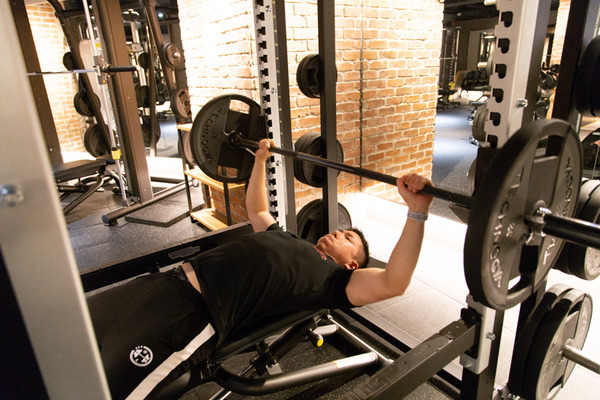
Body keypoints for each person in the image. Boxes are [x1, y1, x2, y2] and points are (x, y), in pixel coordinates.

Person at [87, 139, 433, 399]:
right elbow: (257, 210)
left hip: (191, 316)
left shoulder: (334, 281)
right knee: (73, 333)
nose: (336, 232)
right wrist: (260, 159)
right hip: (163, 284)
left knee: (108, 389)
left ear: (352, 263)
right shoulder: (286, 238)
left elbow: (394, 282)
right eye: (340, 230)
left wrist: (416, 211)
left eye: (347, 238)